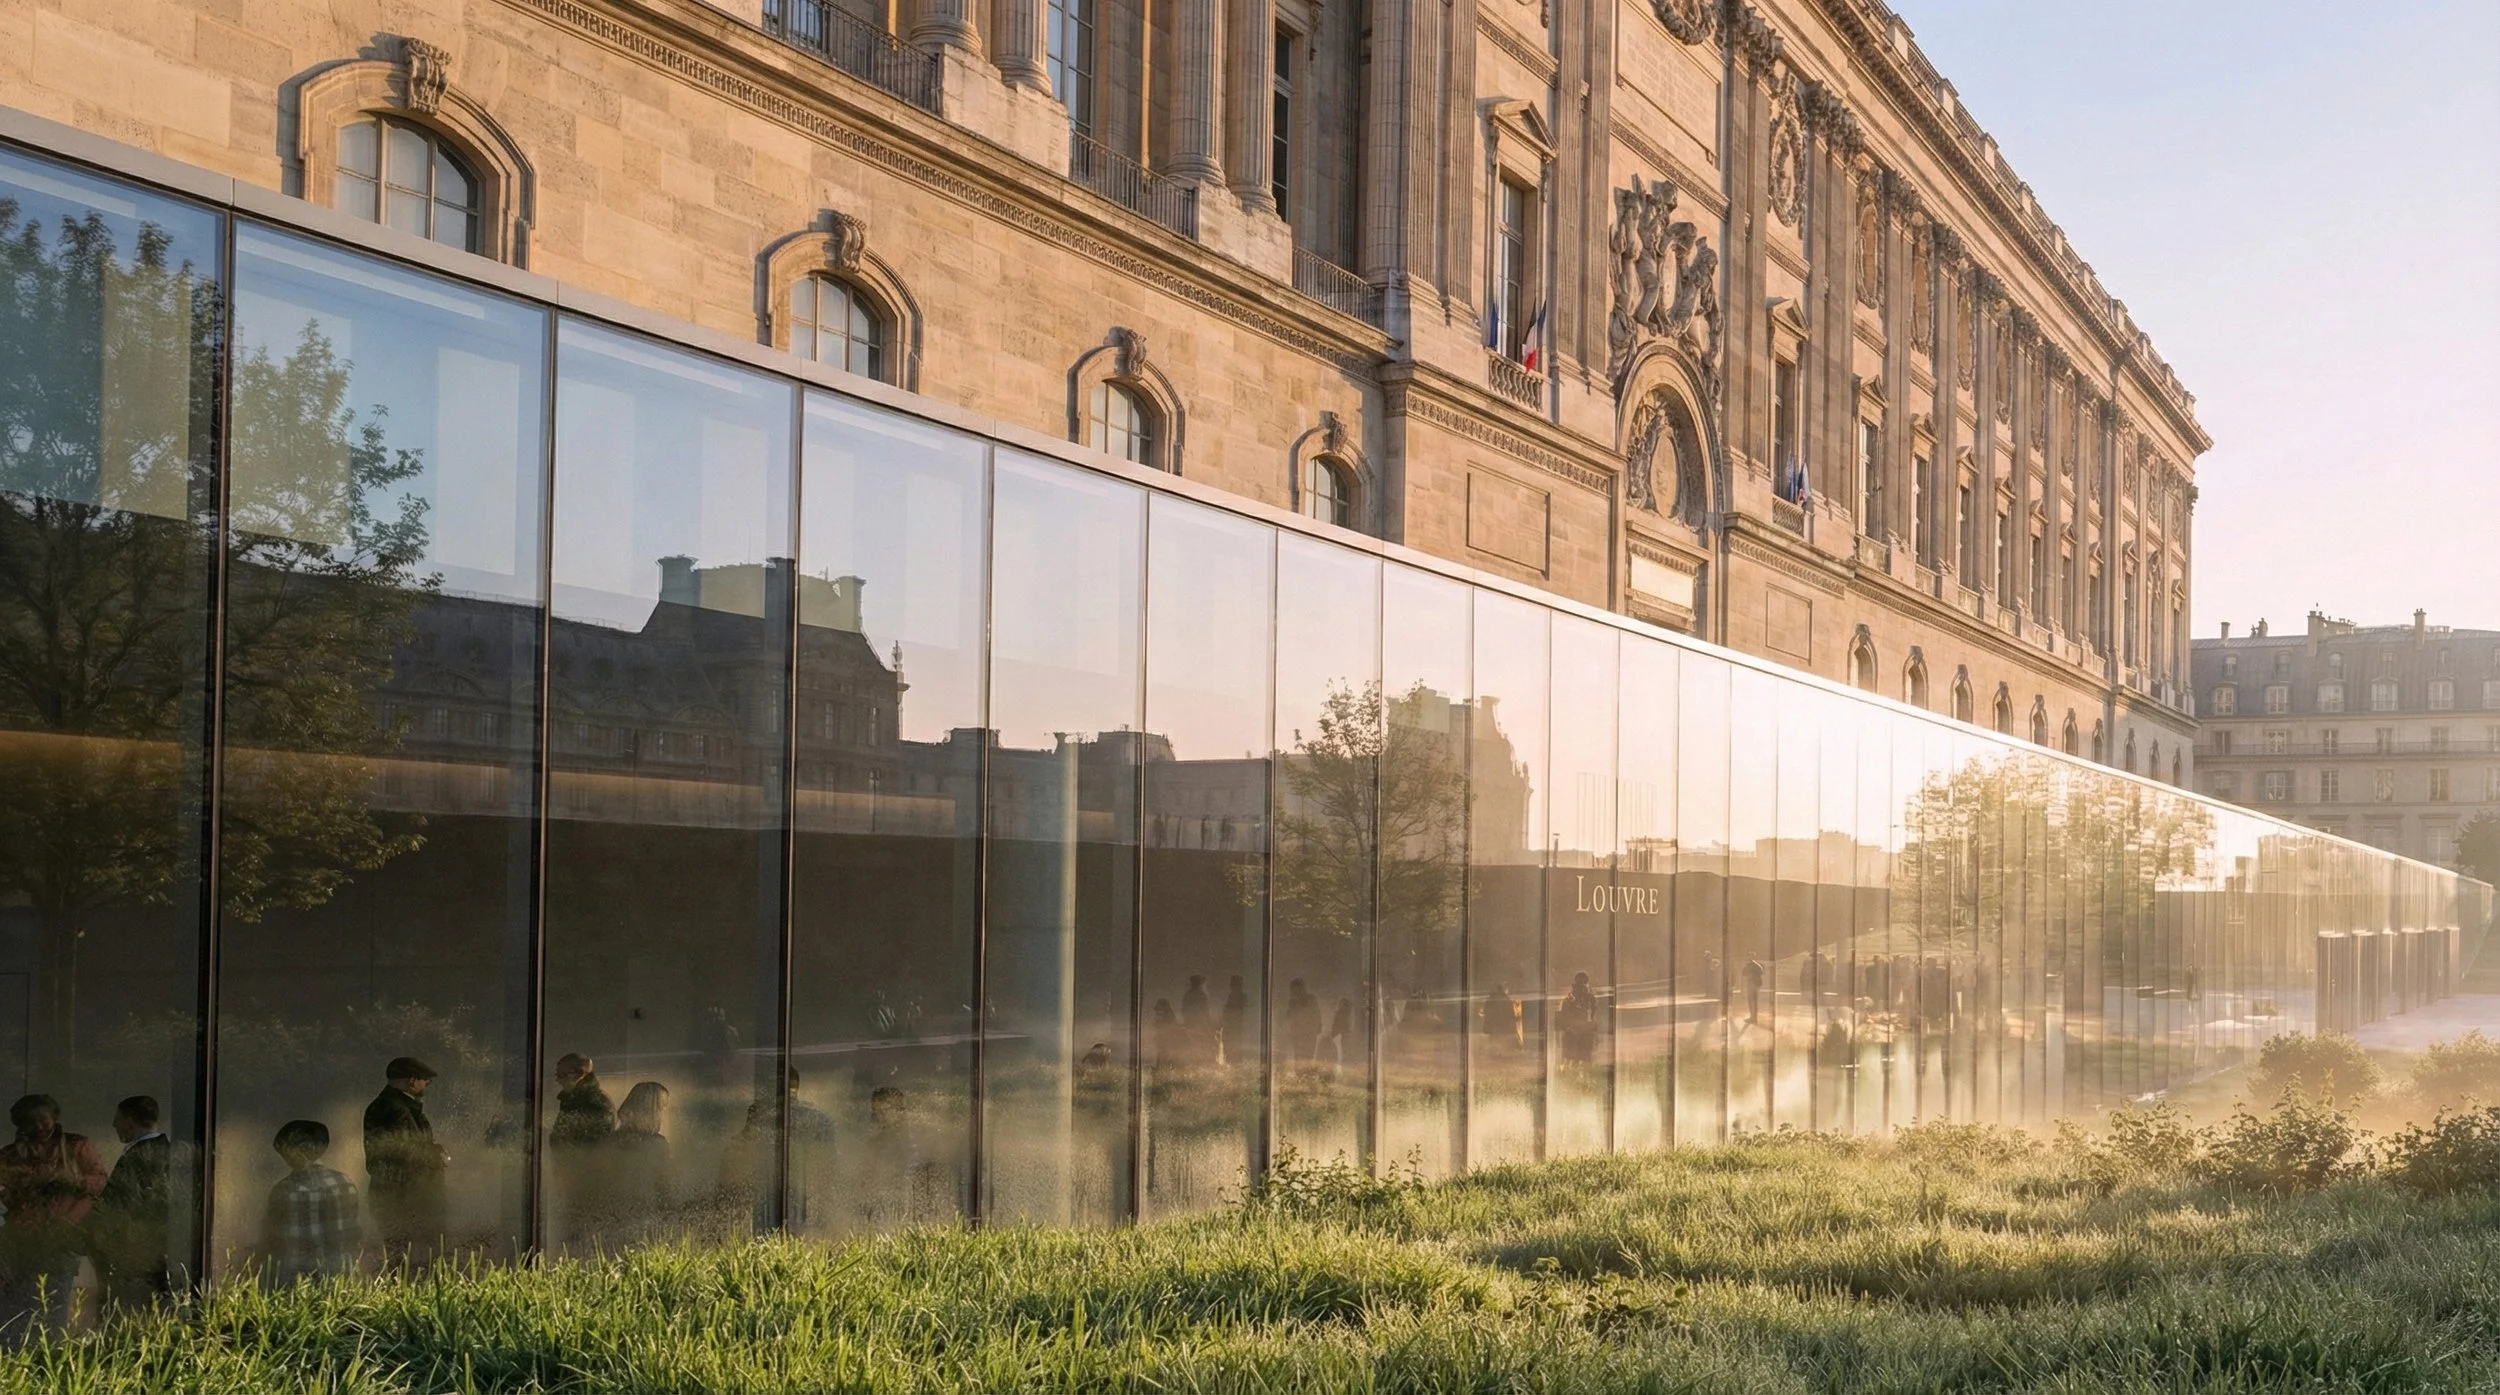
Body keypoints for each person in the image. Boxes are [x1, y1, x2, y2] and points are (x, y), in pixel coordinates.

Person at [0, 1094, 106, 1337]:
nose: (38, 1127)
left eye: (43, 1119)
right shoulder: (11, 1154)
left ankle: (51, 1356)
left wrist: (73, 1181)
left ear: (54, 1118)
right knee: (15, 1302)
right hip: (21, 1239)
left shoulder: (76, 1146)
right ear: (20, 1125)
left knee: (54, 1302)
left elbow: (100, 1182)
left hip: (62, 1237)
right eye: (30, 1121)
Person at [88, 1096, 172, 1311]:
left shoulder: (141, 1156)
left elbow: (119, 1206)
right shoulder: (161, 1151)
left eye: (118, 1119)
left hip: (135, 1253)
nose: (114, 1125)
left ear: (129, 1121)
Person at [362, 1056, 446, 1262]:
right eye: (424, 1079)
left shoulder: (392, 1106)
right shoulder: (396, 1108)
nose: (427, 1083)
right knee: (409, 1261)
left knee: (405, 1257)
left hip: (400, 1196)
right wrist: (436, 1156)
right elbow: (404, 1151)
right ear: (411, 1081)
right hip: (403, 1197)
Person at [263, 1120, 361, 1285]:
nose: (285, 1157)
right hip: (342, 1280)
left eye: (286, 1151)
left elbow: (277, 1243)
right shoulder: (345, 1182)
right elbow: (352, 1235)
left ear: (301, 1150)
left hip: (300, 1283)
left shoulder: (285, 1189)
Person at [606, 1082, 674, 1242]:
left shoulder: (610, 1142)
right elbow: (664, 1189)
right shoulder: (657, 1145)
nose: (663, 1114)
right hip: (644, 1219)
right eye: (662, 1108)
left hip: (613, 1220)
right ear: (650, 1110)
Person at [551, 1053, 617, 1149]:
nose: (559, 1080)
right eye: (558, 1075)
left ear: (580, 1074)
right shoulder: (571, 1100)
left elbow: (597, 1146)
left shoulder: (597, 1103)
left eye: (563, 1075)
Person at [1557, 972, 1599, 1067]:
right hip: (1573, 1034)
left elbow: (1594, 1018)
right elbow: (1564, 1020)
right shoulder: (1568, 1000)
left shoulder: (1590, 999)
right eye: (1579, 986)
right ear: (1574, 986)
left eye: (1583, 987)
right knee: (1572, 1059)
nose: (1581, 990)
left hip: (1585, 1034)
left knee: (1585, 1059)